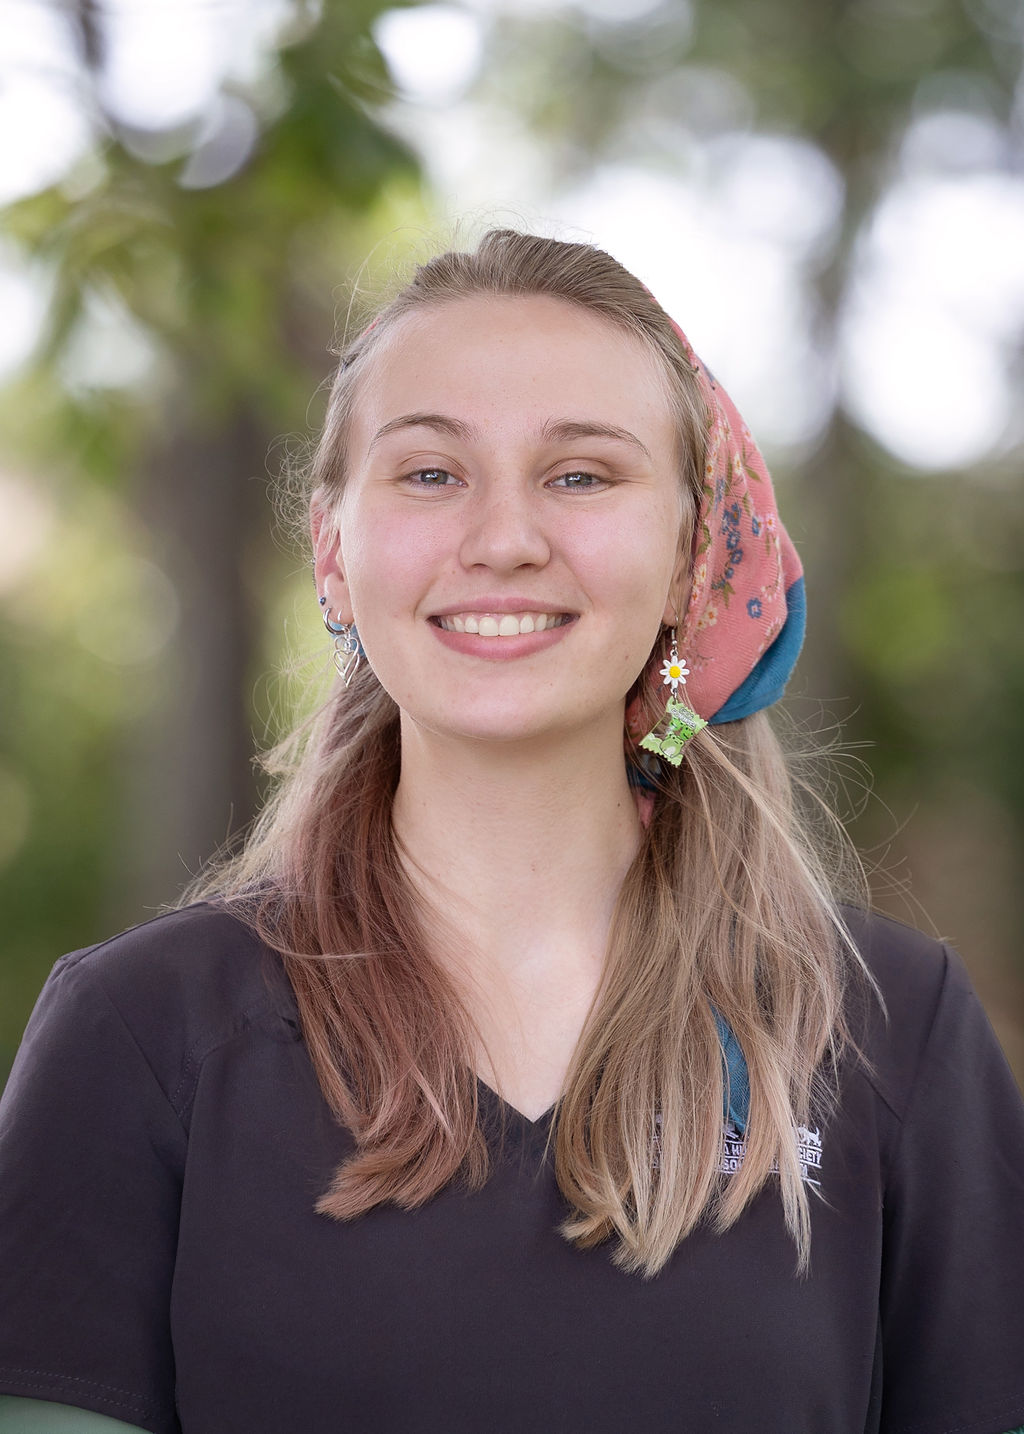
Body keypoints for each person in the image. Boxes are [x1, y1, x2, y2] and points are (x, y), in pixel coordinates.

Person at [1, 229, 1022, 1434]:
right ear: (335, 553)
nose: (502, 537)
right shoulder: (139, 1039)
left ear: (694, 551)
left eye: (581, 476)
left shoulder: (893, 1034)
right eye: (432, 474)